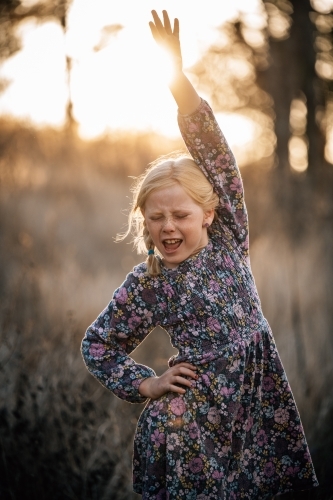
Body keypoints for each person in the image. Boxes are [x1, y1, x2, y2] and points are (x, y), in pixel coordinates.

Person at [81, 10, 318, 500]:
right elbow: (98, 345)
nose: (168, 226)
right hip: (193, 428)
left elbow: (214, 150)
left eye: (181, 216)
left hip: (259, 409)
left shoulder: (230, 234)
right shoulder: (149, 282)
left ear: (209, 213)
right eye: (156, 217)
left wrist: (177, 79)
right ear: (143, 219)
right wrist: (147, 384)